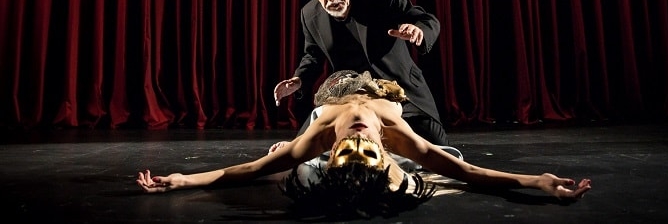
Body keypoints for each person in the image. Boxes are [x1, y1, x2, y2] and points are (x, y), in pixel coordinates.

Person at [136, 90, 591, 219]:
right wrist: (537, 181)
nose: (357, 136)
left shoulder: (315, 139)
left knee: (282, 162)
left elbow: (246, 170)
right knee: (443, 157)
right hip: (380, 92)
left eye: (347, 149)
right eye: (367, 149)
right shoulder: (399, 137)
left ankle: (309, 173)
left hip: (333, 97)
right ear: (383, 151)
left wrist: (181, 179)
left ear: (333, 151)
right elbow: (471, 172)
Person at [274, 0, 449, 145]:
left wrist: (419, 31)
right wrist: (298, 80)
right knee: (303, 148)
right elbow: (313, 56)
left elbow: (425, 19)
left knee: (435, 146)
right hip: (351, 96)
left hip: (398, 89)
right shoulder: (309, 14)